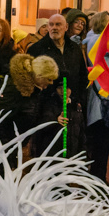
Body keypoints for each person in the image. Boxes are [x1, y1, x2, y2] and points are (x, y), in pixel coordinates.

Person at [28, 13, 87, 158]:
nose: (54, 28)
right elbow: (31, 80)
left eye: (58, 24)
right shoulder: (37, 49)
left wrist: (75, 97)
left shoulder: (74, 49)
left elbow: (82, 76)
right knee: (47, 150)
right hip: (46, 107)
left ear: (66, 27)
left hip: (71, 106)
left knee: (70, 149)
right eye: (51, 24)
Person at [0, 54, 59, 150]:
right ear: (39, 76)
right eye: (49, 79)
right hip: (1, 148)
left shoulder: (33, 91)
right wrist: (5, 148)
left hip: (12, 146)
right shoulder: (15, 90)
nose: (51, 83)